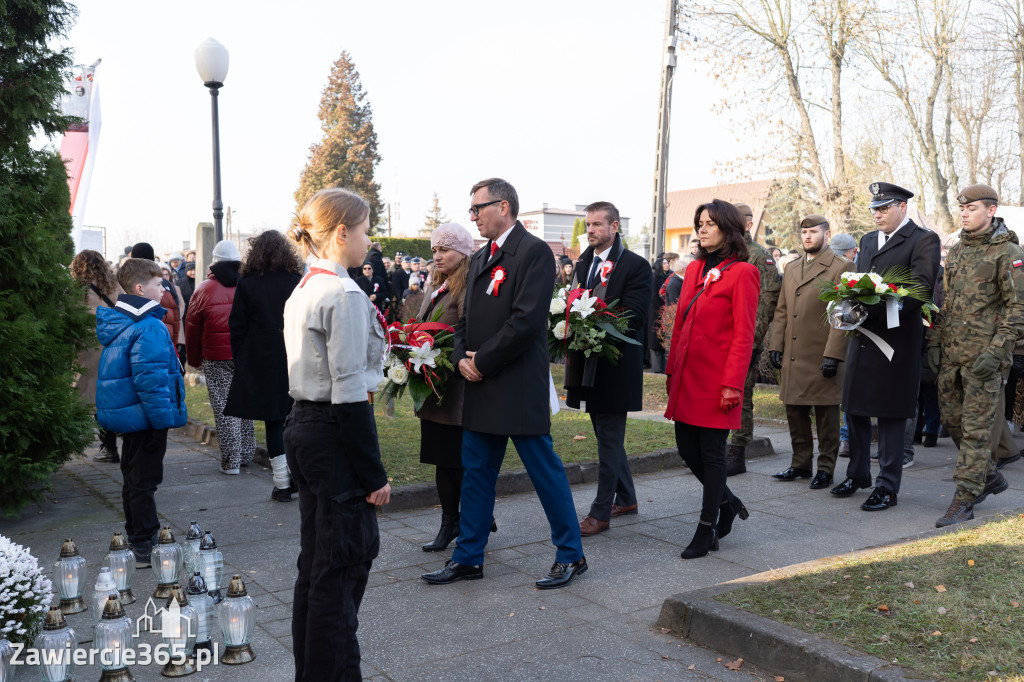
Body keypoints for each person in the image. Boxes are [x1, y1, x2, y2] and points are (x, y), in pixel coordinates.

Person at [422, 177, 587, 588]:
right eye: (472, 209)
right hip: (480, 384)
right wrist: (462, 358)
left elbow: (526, 321)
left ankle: (571, 554)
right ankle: (469, 558)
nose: (473, 216)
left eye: (478, 208)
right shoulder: (479, 258)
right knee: (476, 474)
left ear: (504, 207)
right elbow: (464, 320)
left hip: (516, 386)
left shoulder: (532, 252)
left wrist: (484, 361)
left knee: (544, 472)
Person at [283, 187, 390, 680]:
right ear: (342, 232)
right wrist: (373, 474)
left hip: (305, 428)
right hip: (331, 431)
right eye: (366, 229)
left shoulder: (305, 288)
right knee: (341, 570)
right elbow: (349, 395)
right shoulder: (341, 292)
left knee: (319, 565)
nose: (370, 239)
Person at [830, 182, 940, 511]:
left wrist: (876, 306)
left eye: (884, 208)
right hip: (864, 337)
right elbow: (860, 282)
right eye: (874, 209)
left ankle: (888, 486)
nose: (877, 214)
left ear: (902, 207)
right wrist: (850, 305)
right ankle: (858, 473)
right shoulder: (867, 240)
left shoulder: (923, 239)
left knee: (891, 415)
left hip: (895, 340)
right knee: (857, 408)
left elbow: (921, 289)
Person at [665, 199, 759, 558]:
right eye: (699, 223)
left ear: (728, 229)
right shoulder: (694, 270)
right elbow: (680, 327)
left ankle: (707, 529)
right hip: (688, 377)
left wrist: (732, 384)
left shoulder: (744, 273)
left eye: (710, 223)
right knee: (688, 451)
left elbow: (743, 335)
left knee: (712, 455)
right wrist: (672, 372)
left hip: (718, 382)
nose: (702, 229)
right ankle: (729, 502)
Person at [930, 184, 1024, 527]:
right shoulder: (956, 252)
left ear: (991, 210)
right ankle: (989, 476)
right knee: (953, 423)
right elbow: (947, 304)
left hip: (985, 359)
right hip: (954, 355)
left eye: (972, 209)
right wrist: (936, 342)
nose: (965, 213)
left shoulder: (1008, 252)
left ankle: (965, 498)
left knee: (976, 430)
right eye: (963, 209)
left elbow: (1019, 310)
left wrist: (997, 352)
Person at [566, 201, 653, 535]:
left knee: (609, 439)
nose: (590, 230)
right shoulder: (584, 261)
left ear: (615, 227)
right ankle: (627, 498)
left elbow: (634, 316)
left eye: (598, 225)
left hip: (615, 366)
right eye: (588, 225)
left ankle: (600, 513)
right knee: (607, 436)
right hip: (587, 364)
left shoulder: (635, 265)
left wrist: (595, 325)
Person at [96, 258, 187, 565]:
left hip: (131, 416)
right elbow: (150, 380)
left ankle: (137, 534)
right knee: (144, 480)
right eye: (158, 283)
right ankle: (145, 540)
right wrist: (163, 420)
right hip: (145, 419)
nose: (164, 288)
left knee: (133, 478)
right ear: (139, 288)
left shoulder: (125, 322)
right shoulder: (149, 326)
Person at [768, 215, 852, 489]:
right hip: (794, 352)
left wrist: (834, 354)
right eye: (804, 232)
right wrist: (775, 345)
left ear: (827, 235)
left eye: (813, 232)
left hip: (822, 354)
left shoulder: (841, 266)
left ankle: (825, 469)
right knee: (794, 411)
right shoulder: (792, 268)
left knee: (827, 415)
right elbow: (782, 311)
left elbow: (844, 314)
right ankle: (800, 464)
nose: (807, 236)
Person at [224, 230, 303, 502]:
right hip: (295, 354)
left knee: (273, 420)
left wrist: (241, 360)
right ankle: (299, 476)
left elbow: (237, 326)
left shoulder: (247, 283)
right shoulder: (297, 281)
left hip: (262, 357)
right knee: (297, 416)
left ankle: (282, 483)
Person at [415, 223, 475, 551]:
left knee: (457, 461)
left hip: (455, 391)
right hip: (435, 389)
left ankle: (469, 520)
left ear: (462, 253)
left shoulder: (466, 287)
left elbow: (467, 333)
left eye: (444, 250)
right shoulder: (437, 284)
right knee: (441, 460)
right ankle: (449, 522)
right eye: (434, 250)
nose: (437, 256)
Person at [185, 239, 256, 474]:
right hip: (245, 355)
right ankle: (246, 452)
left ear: (213, 261)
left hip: (216, 357)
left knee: (225, 407)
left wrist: (193, 359)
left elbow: (193, 327)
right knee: (245, 403)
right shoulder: (248, 284)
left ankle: (232, 461)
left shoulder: (204, 289)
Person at [725, 203, 782, 476]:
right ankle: (719, 450)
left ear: (748, 224)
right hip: (720, 338)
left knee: (741, 394)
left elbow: (766, 302)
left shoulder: (759, 256)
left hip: (745, 339)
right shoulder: (724, 252)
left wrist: (749, 339)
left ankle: (738, 452)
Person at [70, 249, 125, 463]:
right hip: (112, 346)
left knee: (86, 397)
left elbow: (64, 315)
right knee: (107, 399)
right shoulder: (113, 286)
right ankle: (110, 446)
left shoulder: (76, 289)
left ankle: (75, 443)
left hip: (86, 348)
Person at [830, 232, 859, 457]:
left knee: (847, 391)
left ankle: (847, 438)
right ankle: (846, 438)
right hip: (842, 338)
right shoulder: (847, 269)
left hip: (844, 339)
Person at [131, 243, 181, 350]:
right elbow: (176, 316)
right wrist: (173, 343)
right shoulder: (167, 284)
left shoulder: (127, 283)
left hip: (138, 343)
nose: (161, 289)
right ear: (153, 259)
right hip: (165, 340)